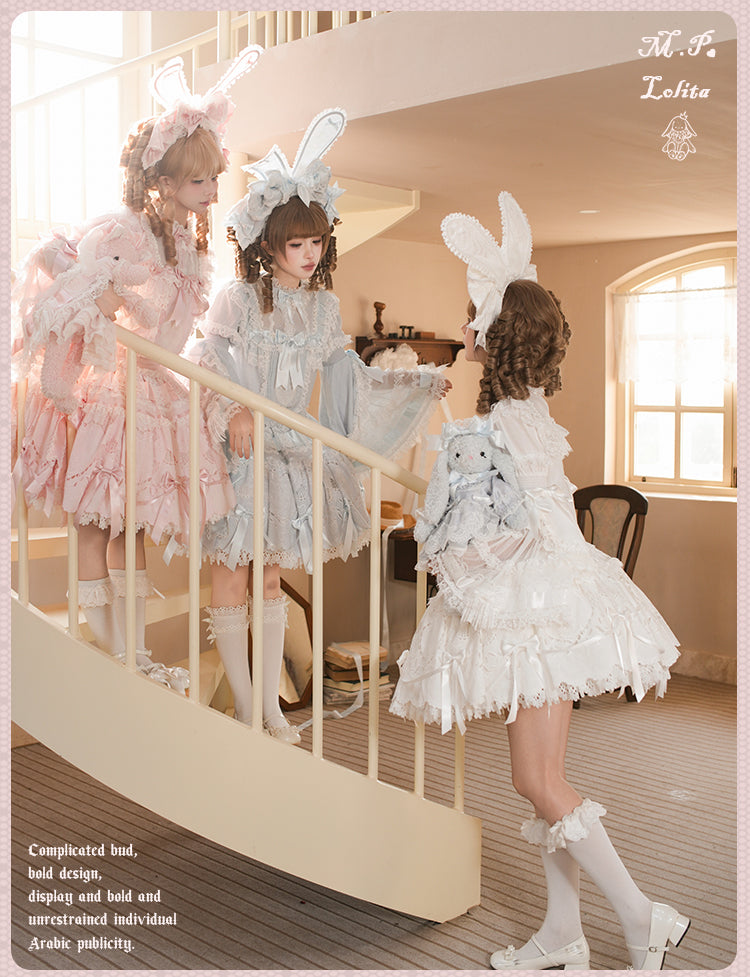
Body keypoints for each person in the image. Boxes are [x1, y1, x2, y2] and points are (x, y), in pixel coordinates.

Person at [390, 192, 688, 971]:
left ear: (492, 335)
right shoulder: (528, 413)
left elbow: (491, 531)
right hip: (559, 600)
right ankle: (563, 932)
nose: (464, 329)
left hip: (534, 610)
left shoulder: (493, 427)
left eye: (472, 319)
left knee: (535, 778)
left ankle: (642, 914)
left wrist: (452, 544)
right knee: (543, 777)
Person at [191, 107, 449, 743]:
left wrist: (413, 382)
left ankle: (272, 708)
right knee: (231, 572)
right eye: (296, 244)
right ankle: (247, 706)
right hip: (240, 449)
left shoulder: (324, 308)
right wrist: (234, 409)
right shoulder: (237, 299)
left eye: (316, 243)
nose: (310, 255)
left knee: (270, 576)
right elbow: (206, 360)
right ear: (267, 246)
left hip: (288, 451)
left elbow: (346, 377)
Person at [11, 48, 262, 683]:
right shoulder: (123, 231)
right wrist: (103, 299)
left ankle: (134, 654)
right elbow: (88, 290)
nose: (212, 191)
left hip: (156, 386)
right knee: (98, 521)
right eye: (201, 182)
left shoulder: (185, 244)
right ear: (165, 182)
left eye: (214, 179)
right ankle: (113, 649)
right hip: (114, 386)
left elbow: (174, 330)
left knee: (134, 526)